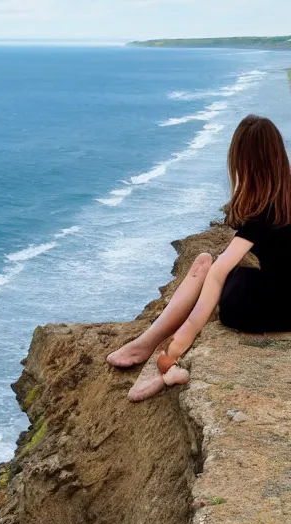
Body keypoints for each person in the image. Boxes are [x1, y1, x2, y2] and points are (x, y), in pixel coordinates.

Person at [107, 114, 291, 402]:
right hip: (287, 310)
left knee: (206, 264)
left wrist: (177, 347)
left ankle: (148, 347)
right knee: (214, 263)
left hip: (253, 311)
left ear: (243, 163)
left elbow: (218, 274)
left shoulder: (261, 216)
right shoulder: (283, 203)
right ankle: (146, 348)